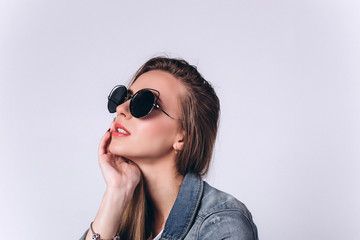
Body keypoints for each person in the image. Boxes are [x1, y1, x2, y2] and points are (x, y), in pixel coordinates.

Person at [80, 56, 258, 240]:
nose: (121, 109)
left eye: (144, 103)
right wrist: (117, 191)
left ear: (182, 137)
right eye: (125, 97)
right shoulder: (124, 218)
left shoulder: (222, 223)